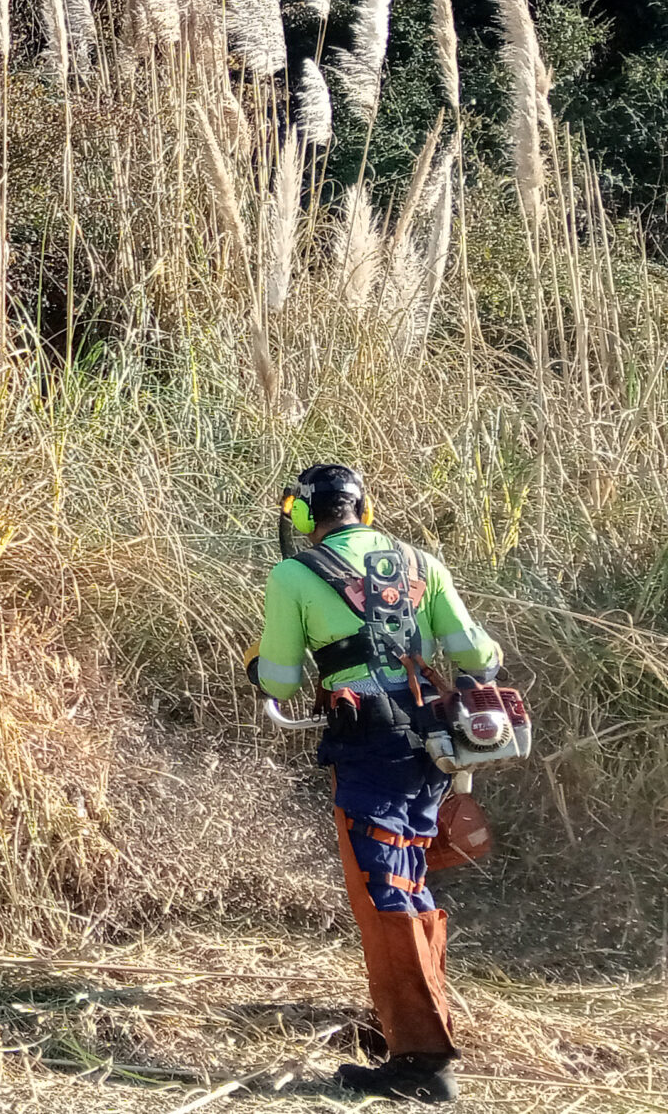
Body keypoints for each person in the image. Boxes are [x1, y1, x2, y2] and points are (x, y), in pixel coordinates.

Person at [252, 464, 503, 1105]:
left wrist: (265, 668)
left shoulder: (295, 574)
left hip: (367, 744)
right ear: (364, 508)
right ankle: (408, 1022)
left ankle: (421, 1057)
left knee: (385, 887)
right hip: (429, 744)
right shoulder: (420, 561)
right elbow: (478, 655)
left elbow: (279, 683)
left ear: (306, 517)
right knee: (410, 878)